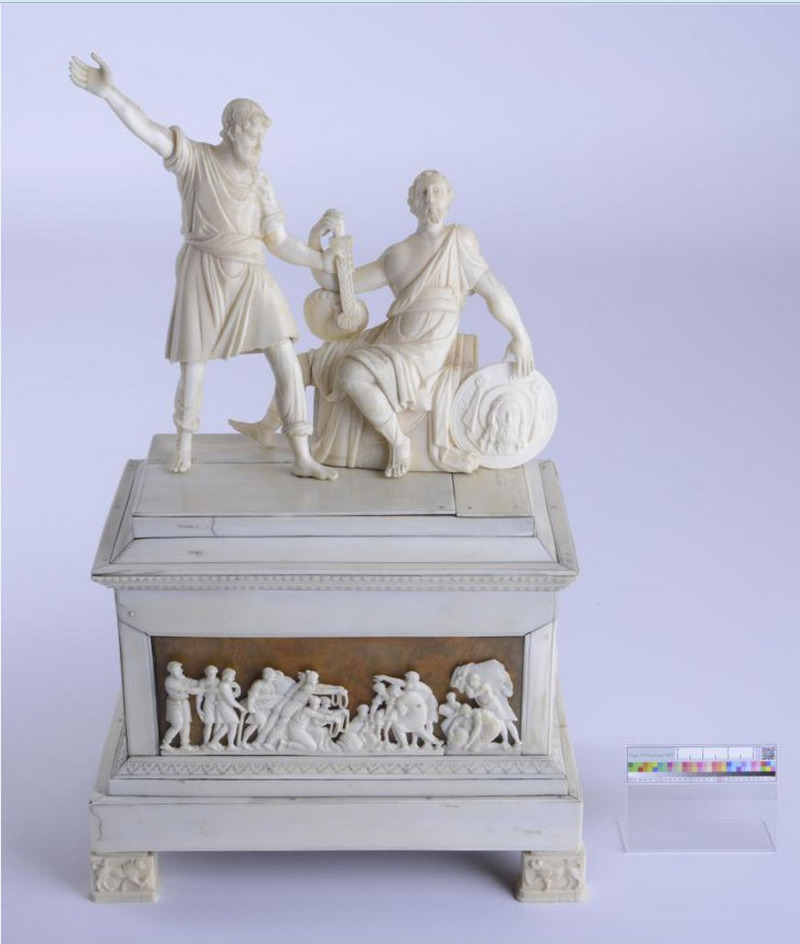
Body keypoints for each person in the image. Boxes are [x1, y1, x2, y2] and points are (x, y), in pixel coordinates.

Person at [69, 53, 339, 479]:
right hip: (205, 271)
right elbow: (149, 131)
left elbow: (280, 242)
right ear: (230, 131)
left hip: (251, 275)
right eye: (252, 136)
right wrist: (109, 93)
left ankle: (301, 454)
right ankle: (185, 442)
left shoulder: (261, 181)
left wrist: (320, 260)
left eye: (263, 139)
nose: (259, 146)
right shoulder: (195, 160)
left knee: (286, 357)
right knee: (194, 365)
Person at [232, 169, 534, 477]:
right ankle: (267, 427)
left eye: (437, 191)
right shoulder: (398, 254)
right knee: (308, 362)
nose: (430, 198)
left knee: (352, 373)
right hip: (392, 337)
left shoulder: (459, 241)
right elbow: (339, 284)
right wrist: (315, 241)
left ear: (449, 198)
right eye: (423, 193)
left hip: (426, 346)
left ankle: (398, 441)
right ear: (412, 203)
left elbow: (493, 291)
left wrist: (520, 336)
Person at [160, 661, 200, 751]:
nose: (181, 670)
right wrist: (202, 689)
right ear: (174, 671)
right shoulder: (170, 681)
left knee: (186, 723)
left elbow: (188, 681)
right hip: (174, 704)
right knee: (177, 724)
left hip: (184, 703)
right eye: (179, 669)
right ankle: (165, 743)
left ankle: (185, 744)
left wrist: (201, 683)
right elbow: (187, 690)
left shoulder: (180, 677)